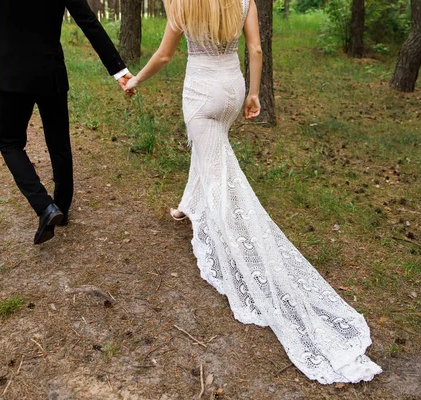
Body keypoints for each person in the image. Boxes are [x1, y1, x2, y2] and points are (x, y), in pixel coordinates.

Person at [124, 0, 383, 384]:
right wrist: (254, 94)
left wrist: (135, 80)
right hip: (232, 87)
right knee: (211, 150)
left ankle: (240, 246)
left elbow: (164, 55)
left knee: (219, 171)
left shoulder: (181, 2)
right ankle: (187, 205)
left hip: (201, 92)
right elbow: (256, 49)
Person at [0, 0, 132, 244]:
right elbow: (87, 20)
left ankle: (45, 207)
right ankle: (61, 209)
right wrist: (118, 69)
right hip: (50, 71)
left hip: (10, 75)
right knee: (59, 142)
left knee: (9, 143)